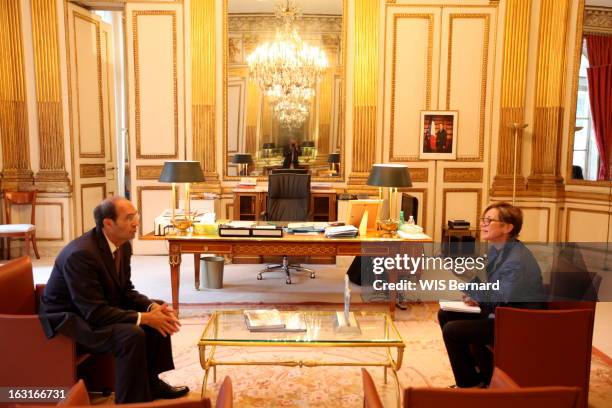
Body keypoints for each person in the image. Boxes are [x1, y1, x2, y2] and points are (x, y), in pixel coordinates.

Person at [38, 197, 189, 403]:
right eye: (129, 218)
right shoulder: (81, 254)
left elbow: (125, 291)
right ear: (108, 223)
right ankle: (132, 401)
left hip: (95, 307)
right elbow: (94, 313)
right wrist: (144, 318)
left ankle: (151, 383)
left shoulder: (122, 245)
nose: (136, 222)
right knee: (131, 333)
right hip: (72, 319)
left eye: (135, 216)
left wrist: (151, 307)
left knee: (157, 313)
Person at [438, 202, 545, 388]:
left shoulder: (516, 261)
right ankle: (480, 376)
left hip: (518, 322)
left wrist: (471, 281)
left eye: (489, 220)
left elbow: (499, 299)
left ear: (508, 227)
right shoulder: (498, 250)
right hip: (502, 313)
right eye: (483, 219)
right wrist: (475, 294)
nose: (483, 224)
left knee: (452, 331)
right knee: (445, 314)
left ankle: (469, 385)